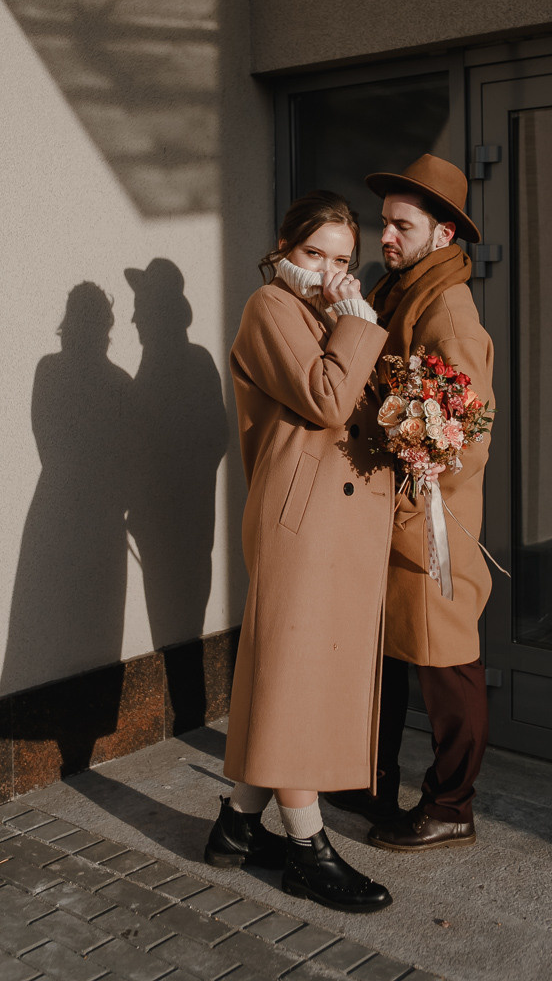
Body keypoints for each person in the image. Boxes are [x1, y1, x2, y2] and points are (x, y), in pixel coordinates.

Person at [205, 191, 395, 912]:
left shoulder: (321, 315)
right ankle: (308, 850)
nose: (326, 271)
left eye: (342, 260)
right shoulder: (271, 309)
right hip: (299, 521)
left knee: (293, 675)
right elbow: (323, 399)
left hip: (329, 521)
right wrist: (356, 322)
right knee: (294, 676)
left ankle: (235, 826)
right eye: (313, 253)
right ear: (284, 247)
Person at [326, 154, 495, 853]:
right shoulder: (399, 290)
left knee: (446, 664)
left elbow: (464, 432)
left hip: (427, 522)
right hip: (387, 511)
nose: (385, 236)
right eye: (384, 222)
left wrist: (408, 486)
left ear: (443, 234)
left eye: (401, 225)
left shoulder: (447, 311)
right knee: (389, 655)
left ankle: (451, 804)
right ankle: (371, 779)